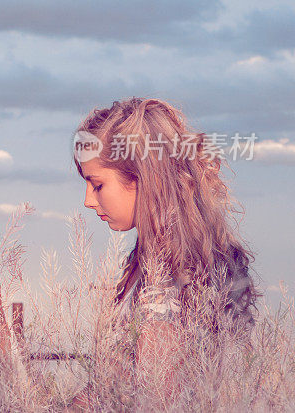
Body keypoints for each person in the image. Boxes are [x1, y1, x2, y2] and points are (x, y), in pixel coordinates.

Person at [71, 97, 260, 405]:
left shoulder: (169, 271)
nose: (88, 200)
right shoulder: (193, 258)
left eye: (98, 184)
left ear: (142, 178)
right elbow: (112, 385)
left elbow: (156, 394)